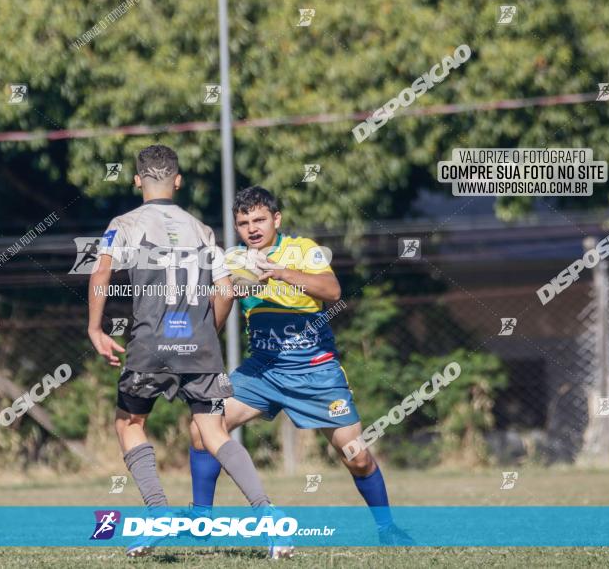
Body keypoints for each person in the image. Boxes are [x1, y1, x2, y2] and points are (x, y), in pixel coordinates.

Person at [87, 146, 292, 558]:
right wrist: (205, 335)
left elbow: (102, 270)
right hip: (199, 346)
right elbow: (224, 290)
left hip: (149, 344)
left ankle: (159, 514)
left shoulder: (124, 223)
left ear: (136, 180)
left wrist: (95, 327)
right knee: (214, 432)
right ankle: (270, 520)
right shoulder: (202, 229)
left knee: (129, 423)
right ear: (178, 182)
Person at [188, 186, 413, 545]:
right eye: (244, 222)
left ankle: (388, 530)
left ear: (276, 219)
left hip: (315, 371)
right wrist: (202, 337)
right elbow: (221, 302)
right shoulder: (233, 260)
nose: (253, 228)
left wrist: (279, 272)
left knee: (356, 457)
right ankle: (200, 522)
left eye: (260, 219)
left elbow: (332, 291)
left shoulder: (302, 250)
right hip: (261, 371)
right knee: (203, 428)